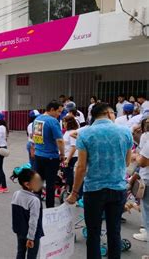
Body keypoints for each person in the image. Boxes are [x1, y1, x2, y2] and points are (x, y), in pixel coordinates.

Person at [66, 102, 133, 259]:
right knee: (114, 232)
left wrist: (74, 192)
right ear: (109, 113)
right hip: (117, 189)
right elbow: (127, 162)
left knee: (93, 233)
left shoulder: (86, 134)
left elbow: (81, 167)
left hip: (94, 190)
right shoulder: (125, 132)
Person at [33, 101, 65, 208]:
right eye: (58, 111)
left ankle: (36, 206)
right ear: (51, 109)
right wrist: (62, 154)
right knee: (50, 185)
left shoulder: (37, 120)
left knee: (38, 182)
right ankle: (50, 209)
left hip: (38, 155)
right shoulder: (53, 121)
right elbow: (59, 140)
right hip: (50, 157)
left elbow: (35, 138)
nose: (59, 114)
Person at [11, 168, 44, 259]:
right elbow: (33, 221)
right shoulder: (34, 200)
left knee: (20, 252)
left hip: (20, 231)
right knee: (32, 256)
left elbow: (15, 215)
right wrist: (31, 238)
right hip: (32, 234)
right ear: (27, 184)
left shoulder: (16, 194)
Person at [62, 116, 79, 193]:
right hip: (66, 156)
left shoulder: (72, 132)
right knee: (65, 174)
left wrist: (68, 159)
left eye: (64, 122)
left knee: (70, 175)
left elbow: (74, 147)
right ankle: (67, 189)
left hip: (72, 157)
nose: (63, 124)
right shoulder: (67, 132)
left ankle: (71, 191)